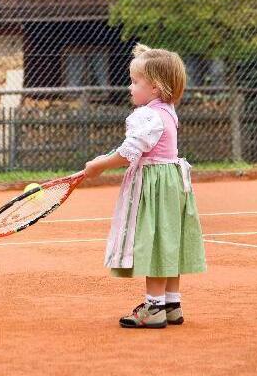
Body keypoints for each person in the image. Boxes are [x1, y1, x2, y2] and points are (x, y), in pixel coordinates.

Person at [83, 44, 206, 328]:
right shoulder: (168, 111)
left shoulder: (147, 115)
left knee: (155, 244)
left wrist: (99, 165)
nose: (130, 87)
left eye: (135, 82)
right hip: (173, 184)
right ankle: (171, 303)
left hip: (154, 187)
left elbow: (129, 152)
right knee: (169, 240)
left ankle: (153, 308)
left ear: (155, 87)